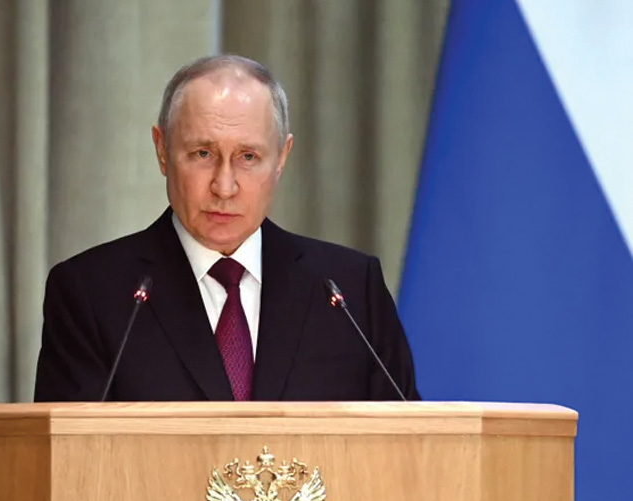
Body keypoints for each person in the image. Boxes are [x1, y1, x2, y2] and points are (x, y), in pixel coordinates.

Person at [33, 55, 419, 402]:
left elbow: (410, 444)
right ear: (162, 150)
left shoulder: (348, 291)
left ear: (282, 157)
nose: (224, 186)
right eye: (203, 154)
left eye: (248, 157)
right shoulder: (91, 294)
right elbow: (67, 453)